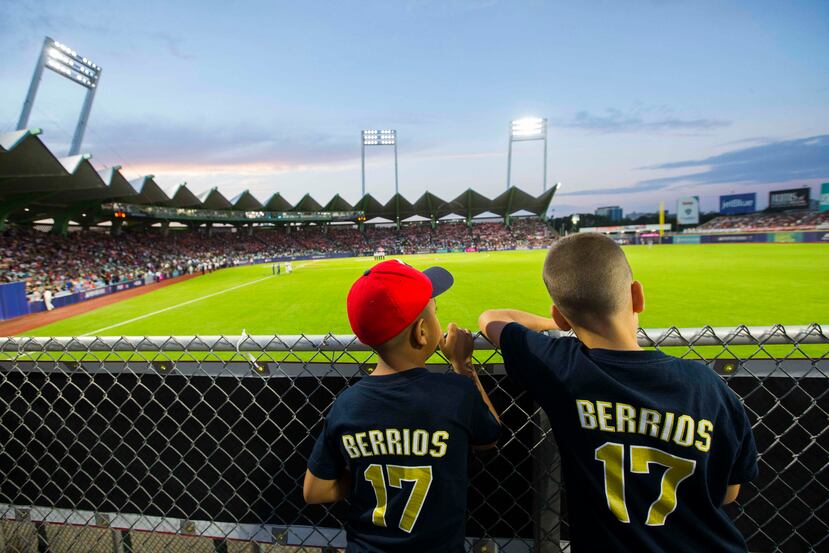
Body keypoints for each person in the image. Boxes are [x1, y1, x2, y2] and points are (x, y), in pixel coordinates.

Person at [478, 233, 757, 553]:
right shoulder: (707, 386)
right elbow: (728, 493)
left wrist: (563, 323)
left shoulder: (560, 368)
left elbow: (492, 318)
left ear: (559, 317)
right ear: (637, 295)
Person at [304, 259, 500, 553]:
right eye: (435, 312)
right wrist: (463, 363)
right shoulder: (456, 393)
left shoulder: (347, 404)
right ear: (422, 332)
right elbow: (490, 436)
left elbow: (314, 491)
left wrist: (370, 470)